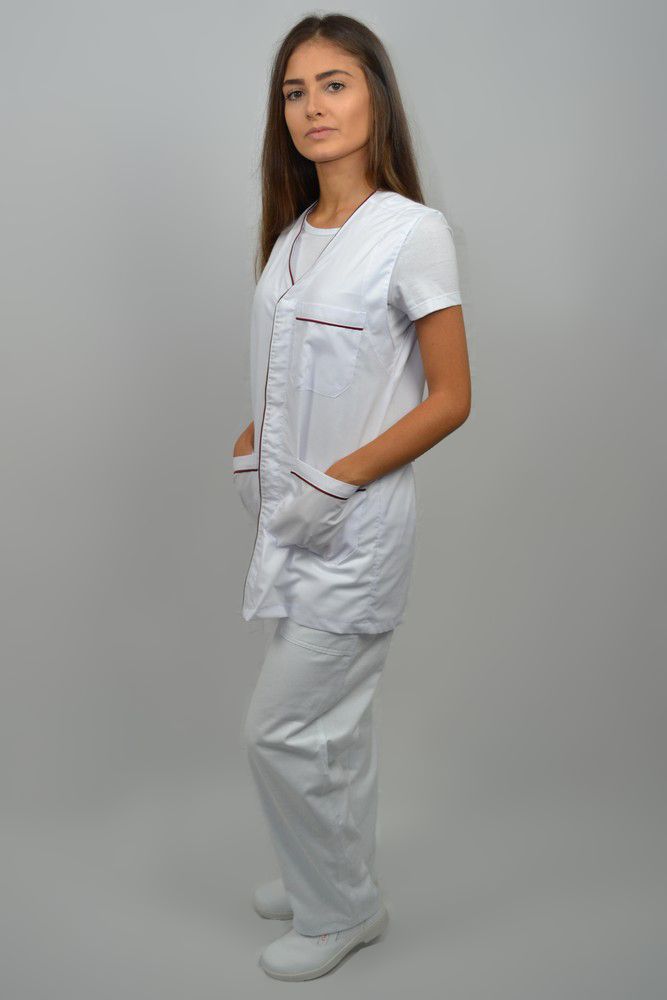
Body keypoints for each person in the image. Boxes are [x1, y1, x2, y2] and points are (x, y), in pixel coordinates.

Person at [232, 13, 470, 981]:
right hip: (289, 523)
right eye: (295, 91)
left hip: (353, 529)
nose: (312, 107)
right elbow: (290, 367)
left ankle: (341, 910)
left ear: (375, 96)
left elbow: (451, 397)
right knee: (336, 725)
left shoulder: (411, 233)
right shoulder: (294, 235)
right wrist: (249, 446)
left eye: (333, 84)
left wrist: (333, 480)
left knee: (278, 729)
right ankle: (325, 867)